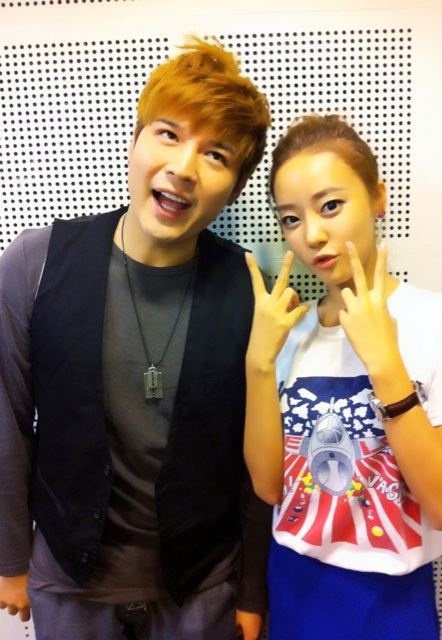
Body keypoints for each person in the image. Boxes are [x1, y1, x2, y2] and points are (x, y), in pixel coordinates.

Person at [0, 37, 272, 640]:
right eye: (169, 134)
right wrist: (10, 559)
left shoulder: (250, 289)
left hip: (202, 587)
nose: (183, 167)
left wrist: (253, 588)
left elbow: (258, 456)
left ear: (234, 187)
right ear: (136, 138)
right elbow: (7, 419)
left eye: (216, 154)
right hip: (69, 582)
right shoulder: (35, 263)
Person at [244, 114, 442, 640]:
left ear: (377, 198)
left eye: (330, 206)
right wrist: (258, 364)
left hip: (392, 601)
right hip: (294, 584)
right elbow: (268, 487)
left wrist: (384, 364)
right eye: (291, 219)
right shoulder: (289, 333)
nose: (312, 235)